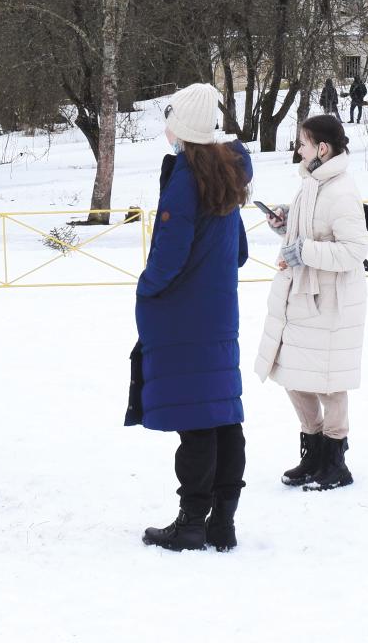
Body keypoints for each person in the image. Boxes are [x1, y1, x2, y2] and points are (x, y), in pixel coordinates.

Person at [128, 83, 251, 553]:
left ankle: (191, 522)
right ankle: (223, 522)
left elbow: (168, 257)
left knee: (197, 421)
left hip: (182, 317)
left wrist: (147, 288)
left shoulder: (186, 179)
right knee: (223, 418)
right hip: (219, 314)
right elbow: (238, 251)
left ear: (181, 127)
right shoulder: (227, 173)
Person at [253, 113, 368, 493]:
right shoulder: (310, 184)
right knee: (291, 374)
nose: (296, 150)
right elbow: (307, 231)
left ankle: (335, 460)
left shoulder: (342, 191)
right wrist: (285, 223)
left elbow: (353, 252)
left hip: (331, 302)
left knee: (329, 381)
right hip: (301, 297)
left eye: (301, 143)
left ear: (322, 148)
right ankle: (313, 450)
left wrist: (304, 250)